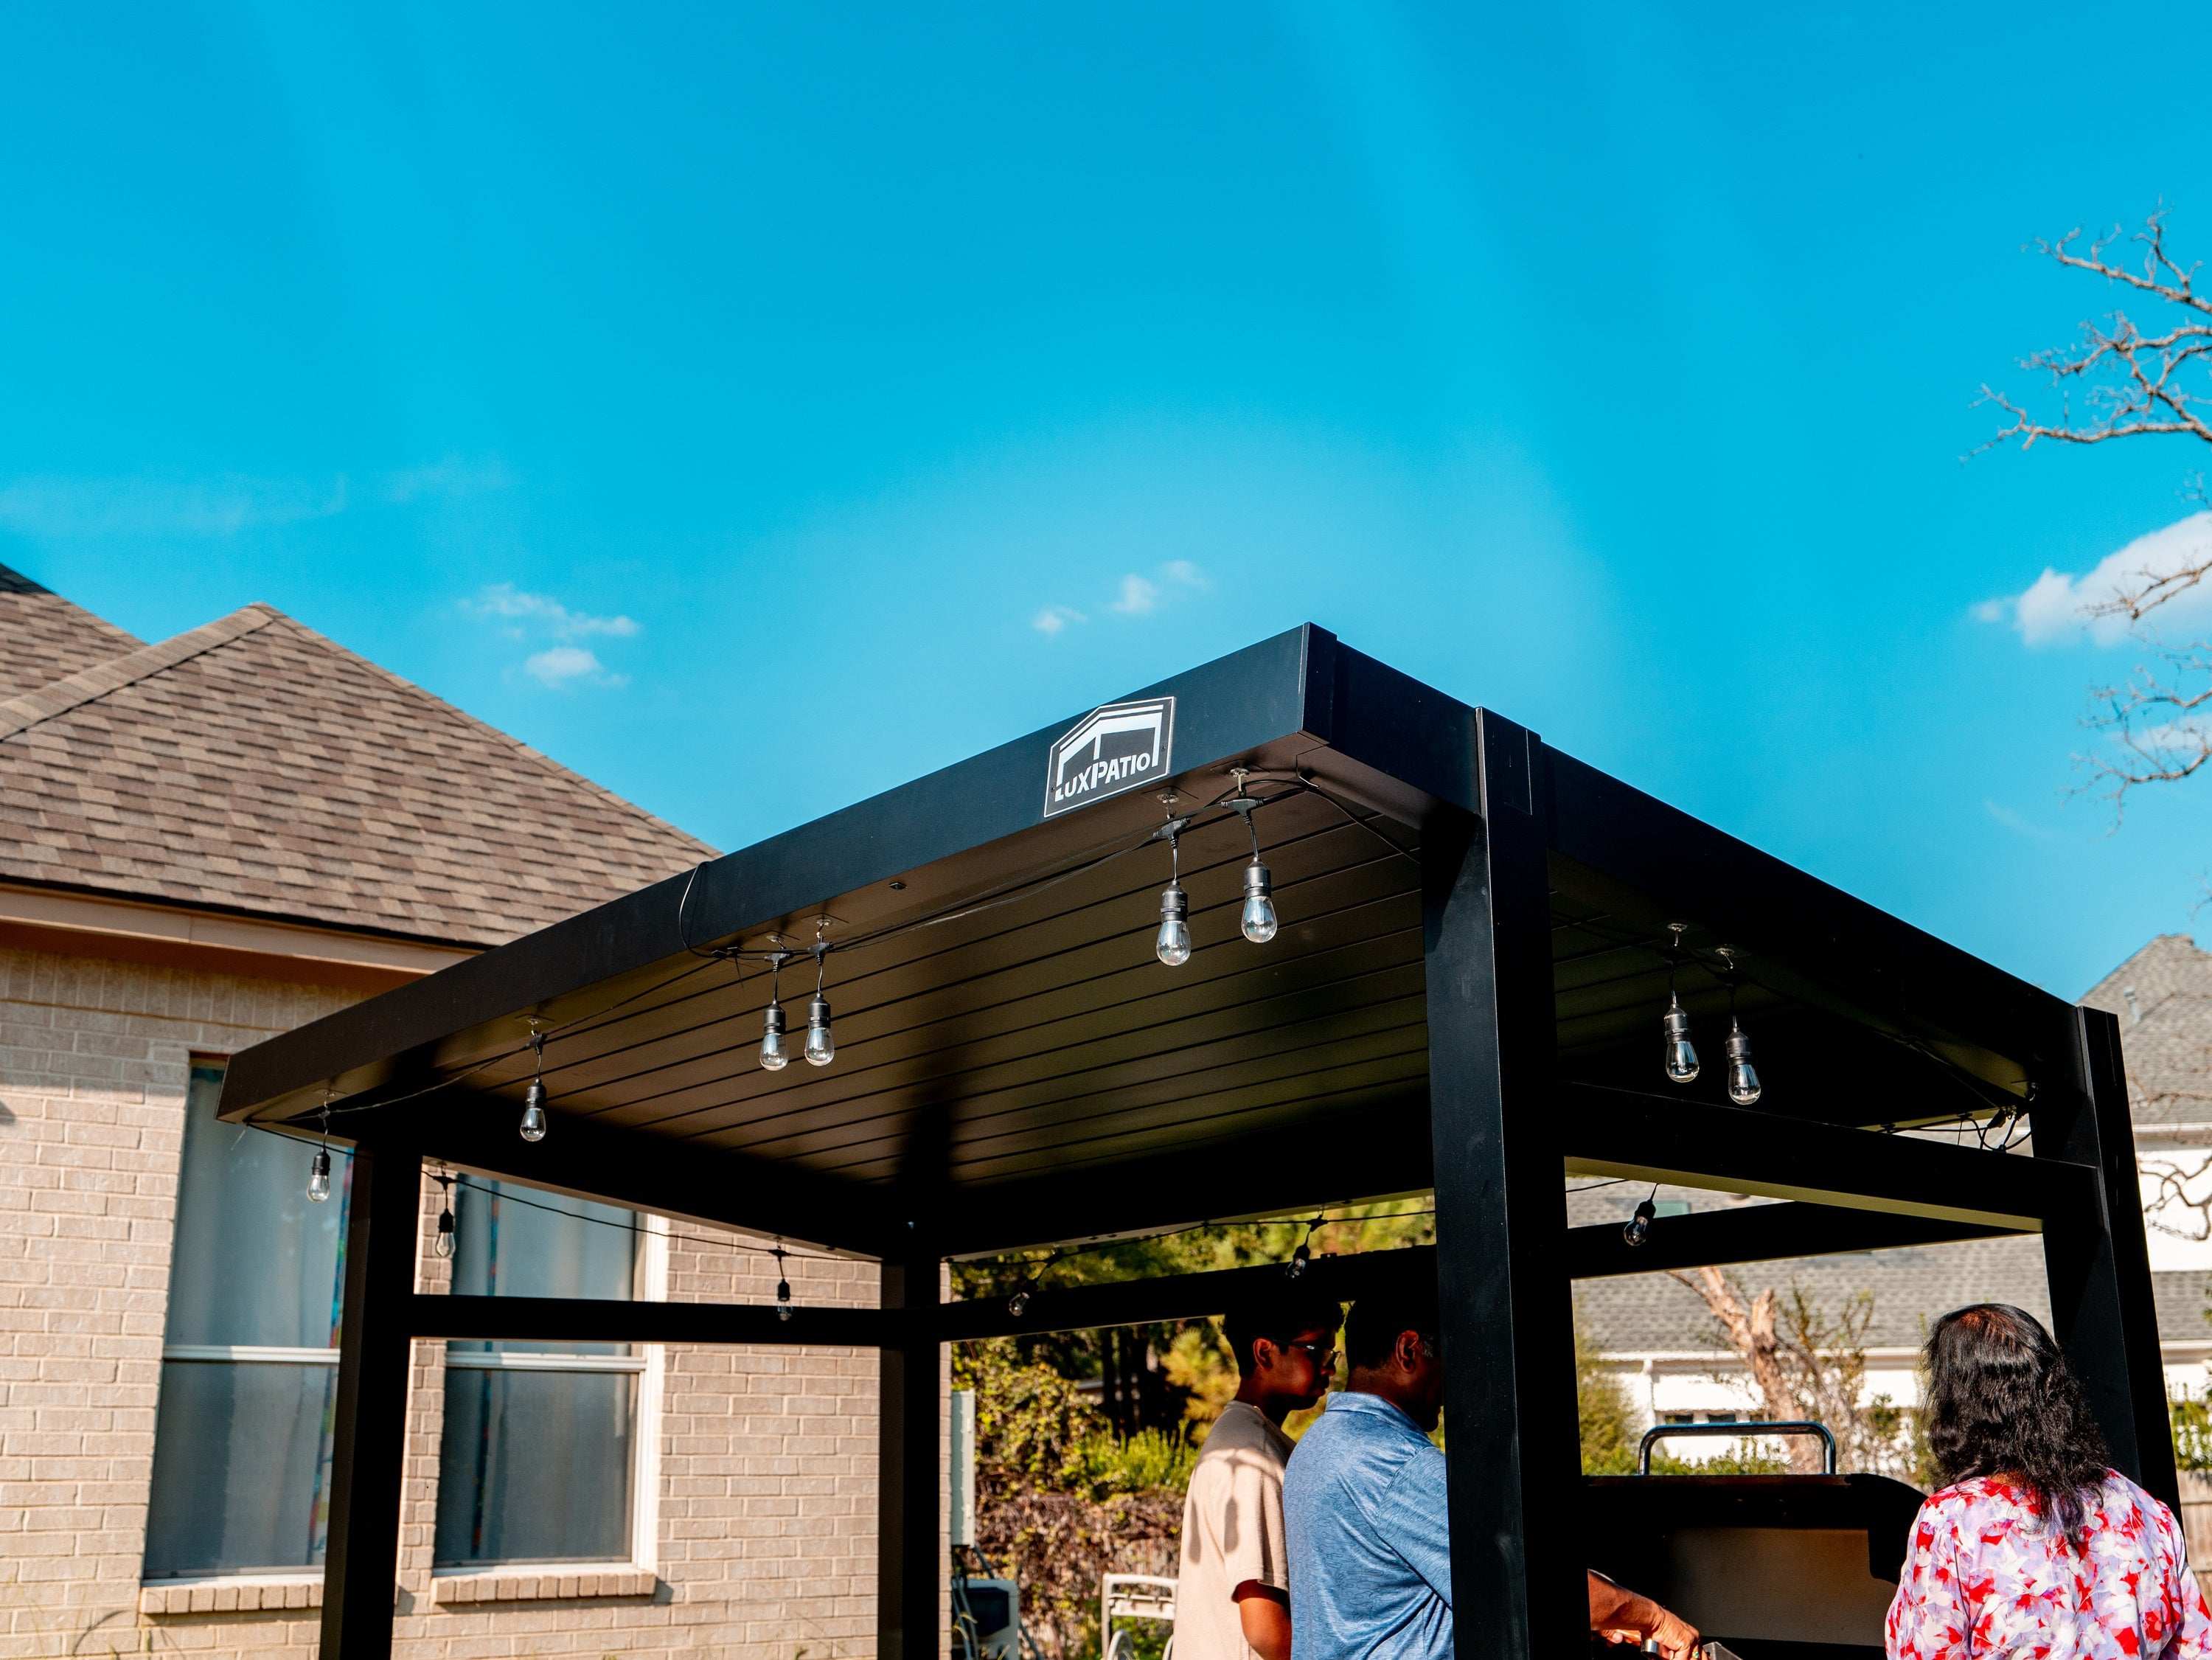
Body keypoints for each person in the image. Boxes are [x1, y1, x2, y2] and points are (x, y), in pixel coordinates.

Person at [1283, 1283, 1700, 1660]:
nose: (1458, 1381)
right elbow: (1531, 1583)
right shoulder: (1396, 1463)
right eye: (1453, 1356)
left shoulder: (1318, 1445)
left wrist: (1609, 1615)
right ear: (1409, 1351)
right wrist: (1655, 1619)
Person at [1886, 1302, 2212, 1660]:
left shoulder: (1950, 1521)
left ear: (1958, 1403)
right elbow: (2196, 1648)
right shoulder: (2141, 1508)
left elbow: (1925, 1651)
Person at [1175, 1285, 1345, 1660]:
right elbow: (1266, 1632)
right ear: (1264, 1352)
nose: (1330, 1367)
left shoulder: (1242, 1438)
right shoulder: (1254, 1455)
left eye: (1332, 1353)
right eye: (1316, 1350)